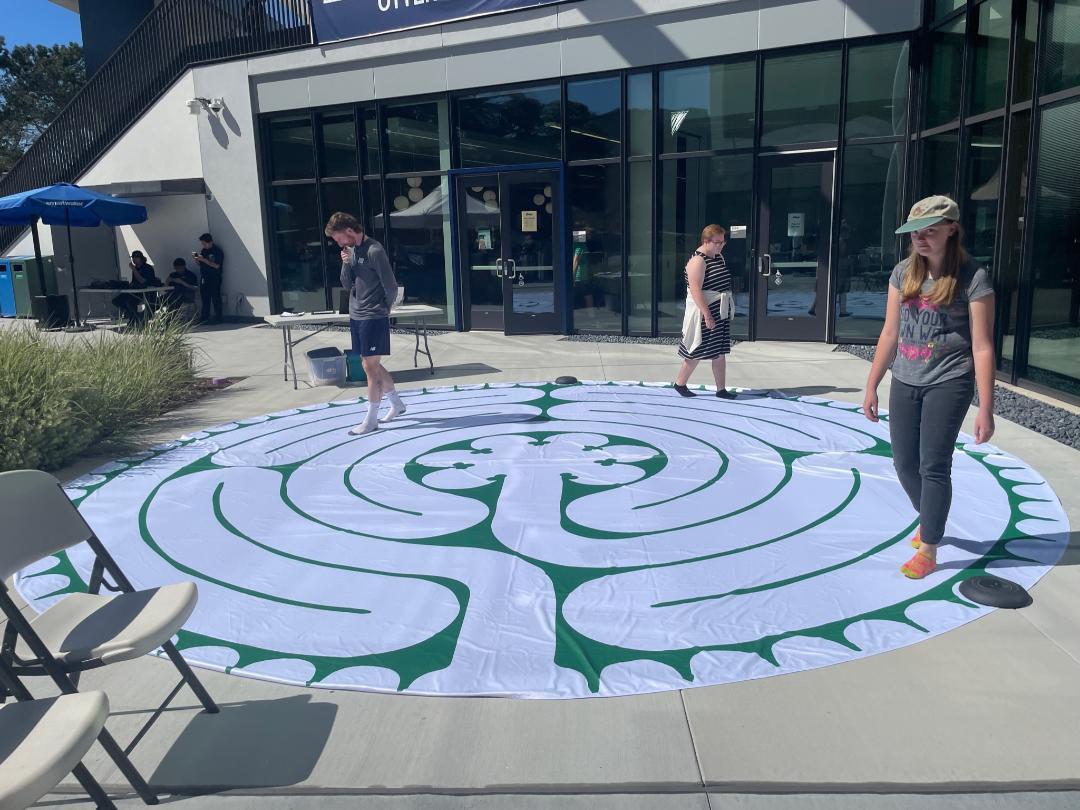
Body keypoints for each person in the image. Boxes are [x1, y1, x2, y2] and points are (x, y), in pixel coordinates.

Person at [861, 195, 996, 580]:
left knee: (933, 465)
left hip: (949, 380)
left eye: (929, 231)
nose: (920, 239)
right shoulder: (903, 272)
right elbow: (890, 332)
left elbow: (983, 345)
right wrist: (872, 385)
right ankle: (932, 517)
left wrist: (985, 407)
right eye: (914, 233)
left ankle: (930, 547)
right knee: (904, 463)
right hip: (905, 377)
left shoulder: (973, 277)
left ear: (951, 229)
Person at [325, 211, 406, 435]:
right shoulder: (353, 250)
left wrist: (384, 310)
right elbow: (345, 283)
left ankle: (371, 419)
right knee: (371, 364)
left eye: (338, 238)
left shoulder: (374, 250)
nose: (337, 243)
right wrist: (345, 263)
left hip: (373, 315)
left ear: (350, 231)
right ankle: (396, 404)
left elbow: (391, 285)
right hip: (357, 314)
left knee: (369, 367)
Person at [674, 225, 736, 399]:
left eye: (723, 242)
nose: (721, 245)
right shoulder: (698, 261)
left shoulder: (717, 257)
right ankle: (680, 383)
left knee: (720, 351)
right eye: (717, 242)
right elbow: (695, 291)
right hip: (704, 312)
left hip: (720, 311)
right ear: (706, 241)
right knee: (697, 349)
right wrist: (707, 315)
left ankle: (721, 389)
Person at [112, 250, 158, 325]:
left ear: (141, 258)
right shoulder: (135, 268)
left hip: (147, 293)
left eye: (136, 257)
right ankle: (133, 316)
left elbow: (143, 281)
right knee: (117, 301)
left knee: (129, 301)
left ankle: (136, 318)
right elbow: (134, 282)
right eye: (133, 257)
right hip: (135, 291)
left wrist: (134, 269)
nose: (134, 259)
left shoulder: (147, 268)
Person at [193, 232, 224, 324]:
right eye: (202, 244)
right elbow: (201, 264)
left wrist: (204, 260)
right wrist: (197, 259)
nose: (203, 245)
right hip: (204, 277)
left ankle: (218, 317)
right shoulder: (204, 251)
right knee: (205, 298)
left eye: (204, 243)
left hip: (214, 277)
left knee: (215, 297)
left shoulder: (217, 251)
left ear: (210, 242)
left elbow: (217, 266)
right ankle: (205, 317)